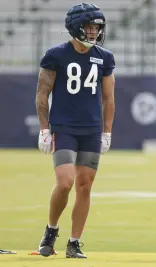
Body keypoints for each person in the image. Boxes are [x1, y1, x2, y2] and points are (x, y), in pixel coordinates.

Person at [35, 3, 115, 259]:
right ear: (76, 28)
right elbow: (42, 93)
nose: (94, 33)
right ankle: (51, 228)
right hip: (64, 127)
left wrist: (107, 132)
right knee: (65, 182)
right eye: (89, 27)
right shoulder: (55, 55)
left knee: (85, 186)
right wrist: (44, 129)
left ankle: (74, 242)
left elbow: (109, 99)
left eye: (96, 28)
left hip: (91, 129)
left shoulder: (104, 57)